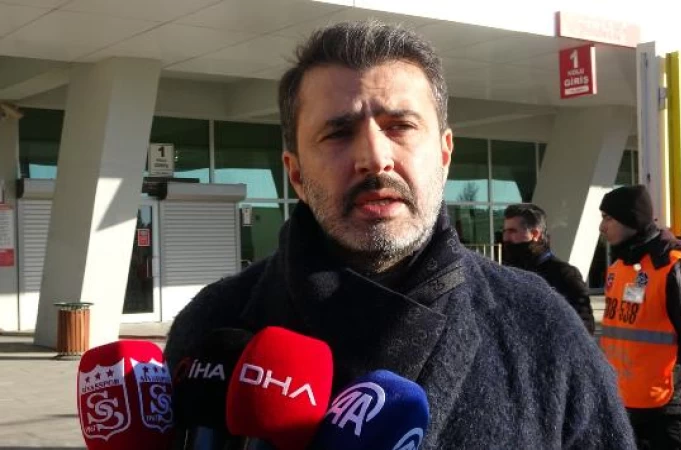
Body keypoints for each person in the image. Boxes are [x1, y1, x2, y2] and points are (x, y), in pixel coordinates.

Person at [166, 21, 635, 449]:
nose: (374, 157)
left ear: (445, 155)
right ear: (295, 175)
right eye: (338, 133)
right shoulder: (213, 322)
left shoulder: (541, 326)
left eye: (400, 127)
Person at [598, 185, 681, 450]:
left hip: (664, 408)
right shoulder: (618, 268)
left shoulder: (673, 268)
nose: (602, 227)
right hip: (623, 403)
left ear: (631, 219)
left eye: (608, 218)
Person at [502, 203, 595, 334]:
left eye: (512, 231)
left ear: (535, 234)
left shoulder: (564, 274)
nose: (505, 238)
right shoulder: (507, 274)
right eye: (505, 231)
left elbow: (584, 328)